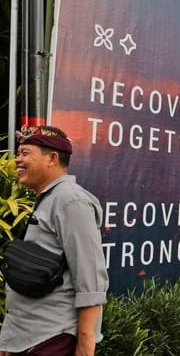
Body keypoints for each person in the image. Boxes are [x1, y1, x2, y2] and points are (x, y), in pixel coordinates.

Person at [0, 125, 109, 356]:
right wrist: (11, 342)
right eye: (18, 153)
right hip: (27, 339)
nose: (17, 160)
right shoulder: (48, 198)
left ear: (52, 158)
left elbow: (91, 282)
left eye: (25, 153)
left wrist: (85, 346)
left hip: (51, 340)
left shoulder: (71, 201)